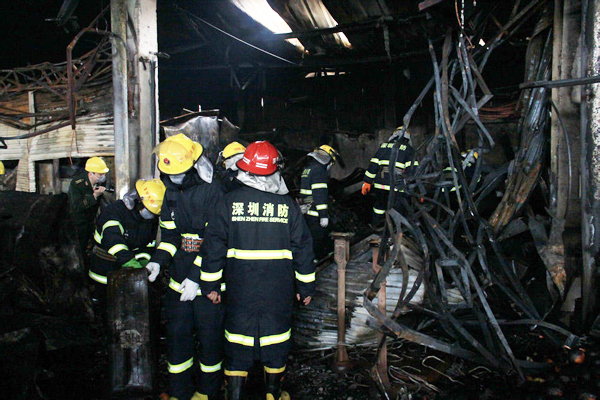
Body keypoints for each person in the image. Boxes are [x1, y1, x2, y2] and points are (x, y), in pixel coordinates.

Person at [200, 141, 316, 400]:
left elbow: (213, 247)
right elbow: (303, 249)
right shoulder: (288, 206)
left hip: (239, 289)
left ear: (244, 168)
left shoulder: (228, 203)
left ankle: (234, 395)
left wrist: (210, 285)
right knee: (276, 342)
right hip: (278, 291)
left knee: (237, 343)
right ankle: (272, 395)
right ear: (275, 169)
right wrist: (306, 287)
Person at [145, 133, 225, 400]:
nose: (174, 178)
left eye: (178, 173)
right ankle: (180, 392)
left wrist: (196, 277)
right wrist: (158, 261)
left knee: (210, 340)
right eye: (170, 174)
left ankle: (207, 393)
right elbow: (170, 237)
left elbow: (215, 240)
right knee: (177, 337)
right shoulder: (169, 190)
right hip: (178, 280)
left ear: (191, 165)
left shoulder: (213, 190)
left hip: (209, 278)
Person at [88, 178, 166, 320]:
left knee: (127, 313)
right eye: (149, 211)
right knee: (105, 313)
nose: (151, 215)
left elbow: (148, 245)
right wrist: (130, 261)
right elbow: (113, 240)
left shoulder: (150, 219)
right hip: (105, 270)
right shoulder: (114, 211)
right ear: (138, 201)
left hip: (129, 274)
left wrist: (145, 264)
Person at [361, 127, 418, 226]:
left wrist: (367, 182)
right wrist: (415, 189)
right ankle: (394, 231)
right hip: (397, 187)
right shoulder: (409, 150)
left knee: (379, 208)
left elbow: (373, 165)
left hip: (380, 185)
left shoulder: (383, 147)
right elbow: (413, 172)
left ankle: (376, 227)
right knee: (396, 211)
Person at [298, 144, 338, 261]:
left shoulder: (308, 169)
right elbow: (319, 194)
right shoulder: (319, 171)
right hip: (315, 212)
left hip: (307, 210)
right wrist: (323, 215)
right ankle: (317, 259)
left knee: (309, 237)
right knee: (318, 237)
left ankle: (312, 258)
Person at [68, 156, 110, 262]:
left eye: (103, 174)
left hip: (91, 221)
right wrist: (94, 196)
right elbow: (77, 206)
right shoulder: (77, 184)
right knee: (79, 249)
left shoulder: (100, 183)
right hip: (78, 222)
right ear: (91, 174)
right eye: (100, 174)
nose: (103, 176)